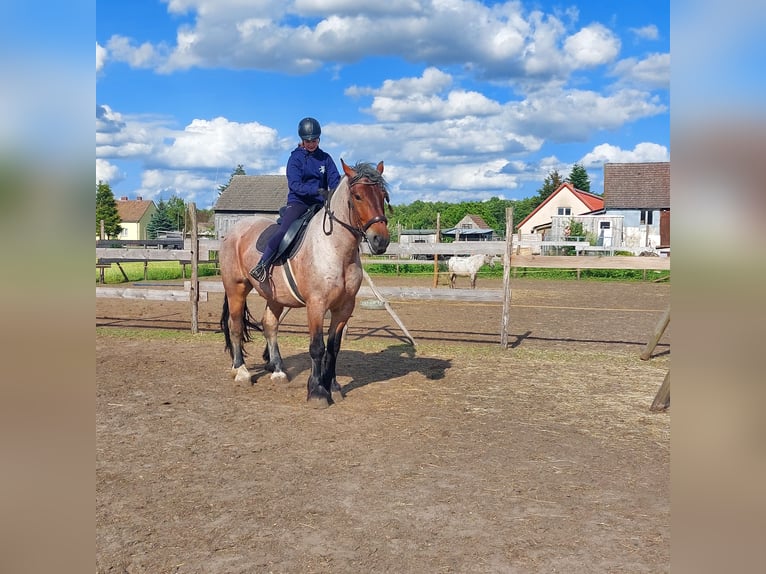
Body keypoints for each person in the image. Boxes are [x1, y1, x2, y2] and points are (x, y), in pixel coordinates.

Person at [249, 117, 341, 282]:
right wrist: (317, 190)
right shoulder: (295, 159)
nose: (312, 143)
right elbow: (295, 185)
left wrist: (335, 192)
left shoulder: (325, 158)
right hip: (299, 202)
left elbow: (334, 180)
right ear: (302, 140)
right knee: (283, 231)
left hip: (320, 204)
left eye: (315, 140)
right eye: (308, 141)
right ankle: (262, 264)